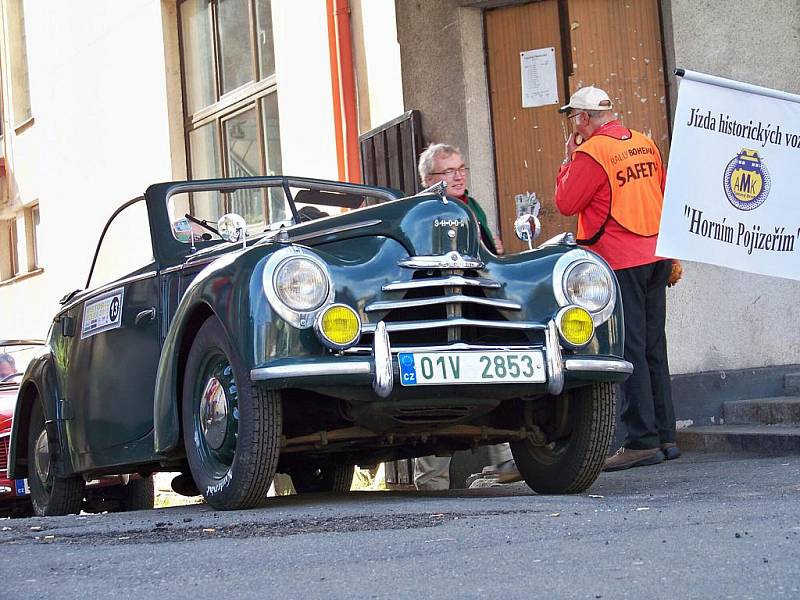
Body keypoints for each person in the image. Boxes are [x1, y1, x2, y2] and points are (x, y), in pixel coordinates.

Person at [554, 86, 680, 472]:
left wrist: (568, 159)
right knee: (654, 347)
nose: (573, 123)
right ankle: (666, 436)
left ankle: (642, 441)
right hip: (656, 254)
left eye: (574, 116)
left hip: (621, 259)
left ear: (584, 119)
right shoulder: (644, 143)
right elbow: (663, 196)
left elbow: (565, 202)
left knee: (630, 349)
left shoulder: (591, 153)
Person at [412, 142, 518, 490]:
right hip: (429, 317)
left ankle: (506, 459)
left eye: (461, 169)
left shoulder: (471, 206)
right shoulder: (417, 212)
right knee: (431, 395)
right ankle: (431, 481)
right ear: (429, 178)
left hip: (477, 310)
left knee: (494, 379)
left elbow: (490, 253)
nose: (458, 176)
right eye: (449, 171)